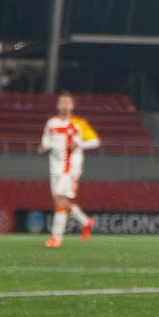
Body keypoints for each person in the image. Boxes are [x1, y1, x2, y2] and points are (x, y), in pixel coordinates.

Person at [38, 92, 99, 248]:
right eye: (62, 102)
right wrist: (44, 146)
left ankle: (56, 238)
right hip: (55, 166)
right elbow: (46, 139)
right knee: (61, 201)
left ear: (72, 106)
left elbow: (95, 142)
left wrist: (79, 144)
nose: (64, 105)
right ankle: (86, 222)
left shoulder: (79, 123)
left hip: (70, 167)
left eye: (67, 102)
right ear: (58, 105)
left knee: (60, 199)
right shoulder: (51, 123)